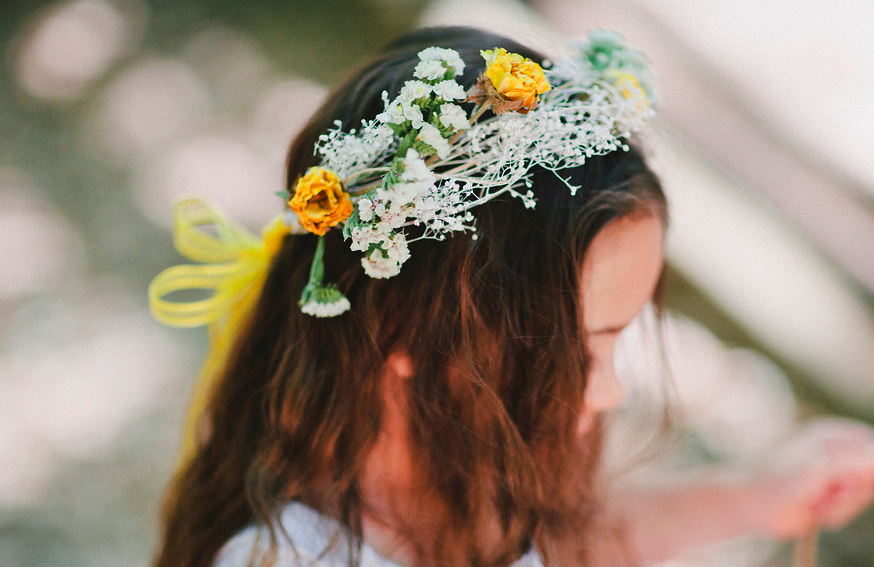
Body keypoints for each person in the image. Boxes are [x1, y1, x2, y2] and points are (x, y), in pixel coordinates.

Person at [148, 26, 874, 567]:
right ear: (408, 324)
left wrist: (762, 488)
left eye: (617, 342)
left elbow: (565, 542)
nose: (612, 388)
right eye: (587, 344)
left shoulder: (457, 472)